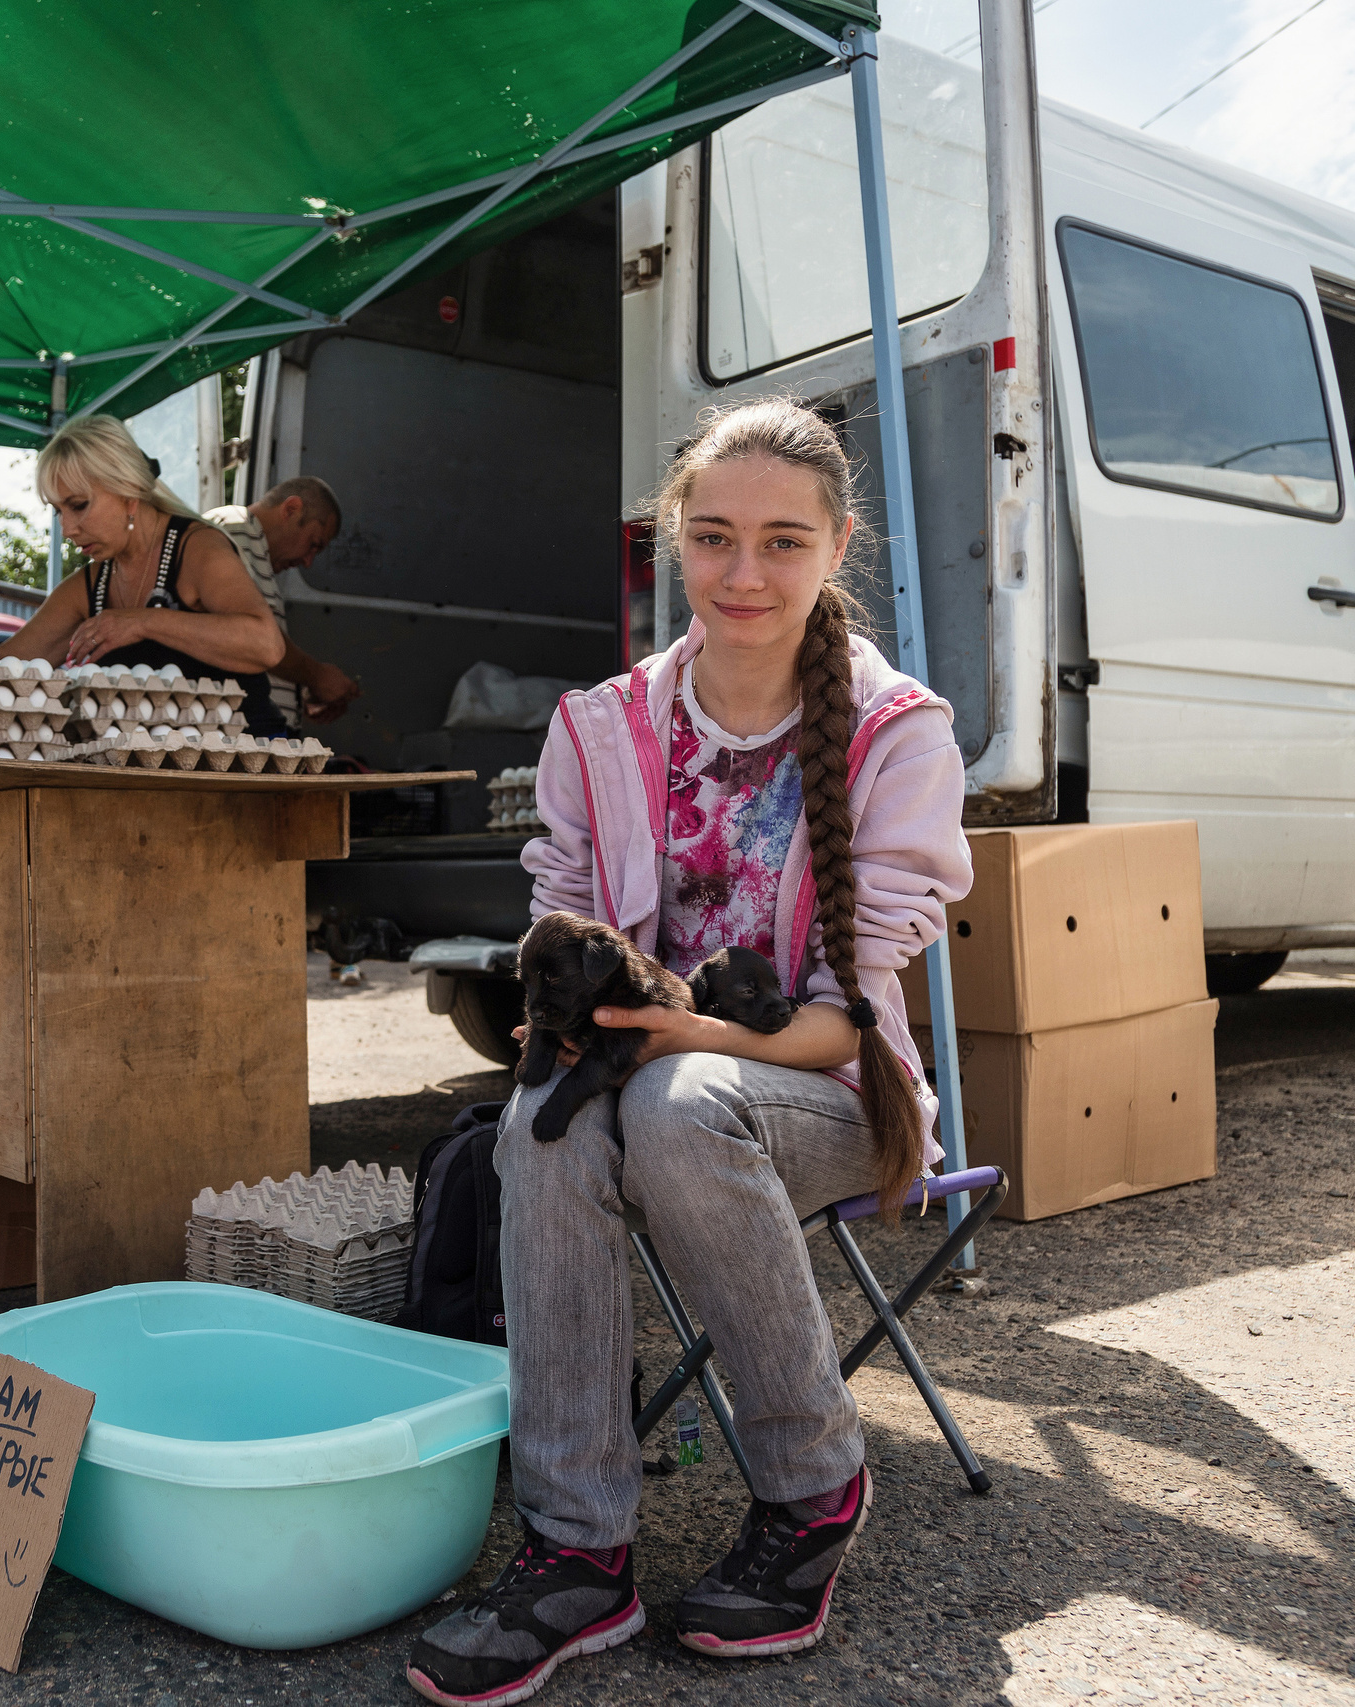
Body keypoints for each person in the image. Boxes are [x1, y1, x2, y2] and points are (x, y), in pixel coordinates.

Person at [406, 398, 971, 1704]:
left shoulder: (899, 731)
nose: (744, 574)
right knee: (536, 1128)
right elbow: (561, 923)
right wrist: (580, 1040)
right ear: (673, 541)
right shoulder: (600, 725)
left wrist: (685, 1033)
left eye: (783, 541)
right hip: (651, 1077)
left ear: (838, 547)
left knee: (675, 1102)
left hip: (827, 1096)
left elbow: (844, 1016)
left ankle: (812, 1485)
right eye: (713, 537)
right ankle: (575, 1543)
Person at [0, 415, 291, 735]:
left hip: (246, 766)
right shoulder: (90, 586)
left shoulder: (197, 548)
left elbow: (266, 645)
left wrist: (141, 622)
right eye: (58, 511)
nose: (67, 529)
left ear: (130, 491)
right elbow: (2, 667)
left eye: (79, 505)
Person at [204, 475, 365, 724]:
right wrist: (317, 676)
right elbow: (252, 637)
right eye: (313, 544)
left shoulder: (253, 546)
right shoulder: (235, 527)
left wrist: (301, 697)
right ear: (291, 509)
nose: (308, 562)